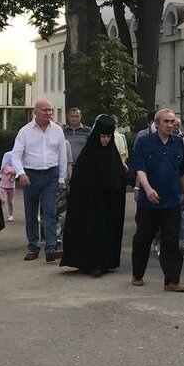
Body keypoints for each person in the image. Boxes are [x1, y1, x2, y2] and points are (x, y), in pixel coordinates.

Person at [130, 108, 184, 293]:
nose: (170, 125)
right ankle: (137, 274)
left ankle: (172, 281)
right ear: (157, 124)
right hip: (149, 202)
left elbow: (183, 171)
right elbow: (139, 168)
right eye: (166, 122)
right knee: (143, 238)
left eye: (173, 122)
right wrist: (146, 189)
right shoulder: (144, 142)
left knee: (171, 240)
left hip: (172, 201)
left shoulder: (178, 142)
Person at [60, 115, 127, 277]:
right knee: (91, 231)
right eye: (103, 136)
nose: (105, 140)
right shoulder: (88, 155)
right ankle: (90, 263)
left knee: (105, 232)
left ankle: (105, 262)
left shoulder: (113, 156)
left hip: (107, 203)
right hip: (89, 204)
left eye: (108, 137)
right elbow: (79, 181)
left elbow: (119, 179)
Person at [11, 99, 67, 262]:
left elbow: (62, 156)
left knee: (50, 212)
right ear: (35, 112)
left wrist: (61, 178)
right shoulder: (25, 131)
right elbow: (16, 154)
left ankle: (50, 248)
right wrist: (21, 173)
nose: (49, 113)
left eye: (50, 110)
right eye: (45, 110)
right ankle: (33, 247)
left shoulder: (57, 130)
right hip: (31, 176)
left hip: (51, 175)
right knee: (31, 213)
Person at [0, 151, 17, 221]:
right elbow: (13, 172)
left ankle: (11, 214)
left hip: (11, 187)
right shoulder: (5, 167)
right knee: (2, 201)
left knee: (10, 202)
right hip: (3, 186)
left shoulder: (14, 166)